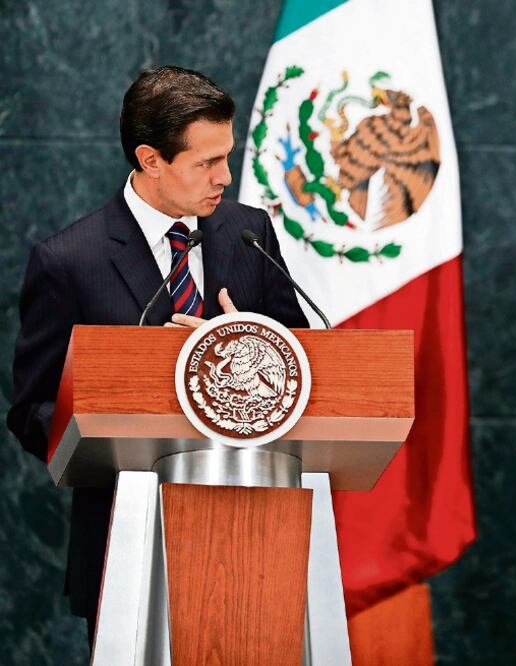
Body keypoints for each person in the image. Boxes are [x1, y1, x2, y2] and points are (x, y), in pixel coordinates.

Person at [6, 65, 308, 645]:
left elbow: (302, 354)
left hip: (256, 523)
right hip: (126, 531)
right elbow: (33, 408)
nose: (225, 177)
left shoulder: (249, 233)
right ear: (150, 160)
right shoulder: (69, 260)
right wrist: (131, 405)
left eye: (227, 155)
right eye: (206, 163)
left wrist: (244, 343)